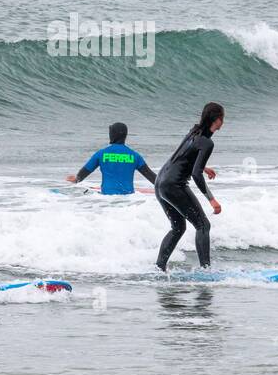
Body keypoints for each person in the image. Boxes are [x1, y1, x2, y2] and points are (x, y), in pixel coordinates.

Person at [155, 103, 223, 272]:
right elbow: (196, 174)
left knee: (178, 227)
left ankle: (159, 268)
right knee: (203, 226)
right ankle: (206, 271)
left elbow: (186, 156)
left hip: (160, 182)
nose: (224, 122)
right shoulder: (207, 143)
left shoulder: (194, 131)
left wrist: (203, 168)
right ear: (217, 120)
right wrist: (212, 199)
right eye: (223, 118)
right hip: (174, 185)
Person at [65, 122, 158, 195]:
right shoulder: (134, 156)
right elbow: (153, 178)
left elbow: (84, 172)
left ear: (112, 135)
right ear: (125, 136)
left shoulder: (101, 154)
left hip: (107, 200)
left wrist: (76, 179)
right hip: (129, 201)